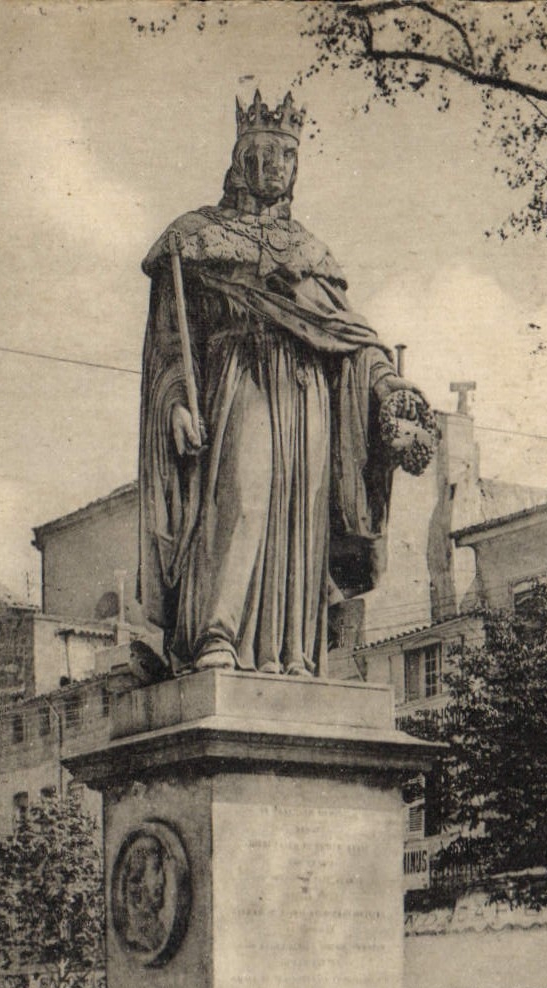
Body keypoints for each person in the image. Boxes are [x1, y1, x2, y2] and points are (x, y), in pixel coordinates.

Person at [139, 89, 437, 679]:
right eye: (261, 151)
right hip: (238, 382)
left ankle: (290, 651)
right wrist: (175, 401)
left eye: (285, 154)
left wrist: (390, 397)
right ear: (238, 159)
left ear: (297, 167)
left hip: (308, 400)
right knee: (244, 502)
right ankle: (217, 636)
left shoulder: (311, 252)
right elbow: (171, 342)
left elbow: (352, 342)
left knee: (299, 516)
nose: (274, 164)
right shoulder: (196, 238)